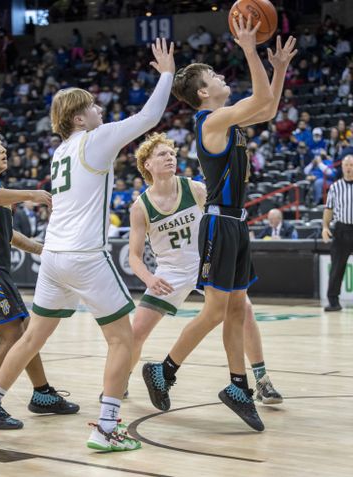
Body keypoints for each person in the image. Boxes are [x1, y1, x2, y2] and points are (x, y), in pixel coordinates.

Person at [0, 38, 175, 451]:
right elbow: (150, 115)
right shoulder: (93, 139)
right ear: (80, 117)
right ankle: (107, 426)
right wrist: (166, 72)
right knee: (122, 340)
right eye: (94, 106)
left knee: (30, 339)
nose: (100, 110)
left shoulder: (60, 150)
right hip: (83, 256)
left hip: (54, 257)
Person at [142, 22, 296, 433]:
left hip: (236, 225)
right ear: (203, 95)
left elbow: (269, 108)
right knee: (215, 310)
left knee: (234, 308)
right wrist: (249, 48)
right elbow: (261, 99)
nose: (223, 78)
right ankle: (165, 370)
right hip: (218, 224)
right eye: (215, 77)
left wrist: (278, 67)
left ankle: (237, 385)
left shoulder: (228, 120)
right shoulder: (211, 122)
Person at [129, 132, 282, 406]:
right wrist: (149, 278)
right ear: (147, 164)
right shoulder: (140, 207)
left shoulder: (195, 189)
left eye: (172, 154)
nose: (170, 157)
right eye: (162, 154)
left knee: (244, 310)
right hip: (170, 271)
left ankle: (262, 380)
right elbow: (134, 257)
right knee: (137, 331)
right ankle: (120, 380)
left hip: (205, 264)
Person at [0, 130, 79, 434]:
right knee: (12, 334)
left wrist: (43, 249)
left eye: (3, 144)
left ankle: (42, 393)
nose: (3, 149)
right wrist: (30, 194)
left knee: (24, 331)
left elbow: (10, 236)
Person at [322, 155, 353, 312]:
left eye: (351, 165)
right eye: (346, 165)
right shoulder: (335, 187)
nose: (349, 168)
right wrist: (325, 227)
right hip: (342, 229)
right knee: (337, 267)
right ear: (342, 167)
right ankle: (333, 301)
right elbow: (328, 210)